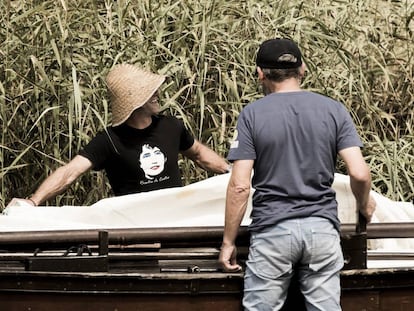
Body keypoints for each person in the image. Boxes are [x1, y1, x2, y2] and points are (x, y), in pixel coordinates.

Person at [218, 38, 376, 310]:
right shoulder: (333, 109)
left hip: (273, 231)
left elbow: (240, 186)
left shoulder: (252, 115)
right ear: (302, 68)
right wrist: (364, 206)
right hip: (322, 230)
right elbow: (360, 174)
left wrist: (228, 242)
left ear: (260, 74)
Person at [8, 64, 230, 207]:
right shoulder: (109, 140)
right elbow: (70, 172)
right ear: (135, 102)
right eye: (150, 92)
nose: (157, 94)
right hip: (134, 229)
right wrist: (33, 201)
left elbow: (199, 154)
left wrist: (233, 172)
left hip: (174, 218)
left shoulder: (172, 126)